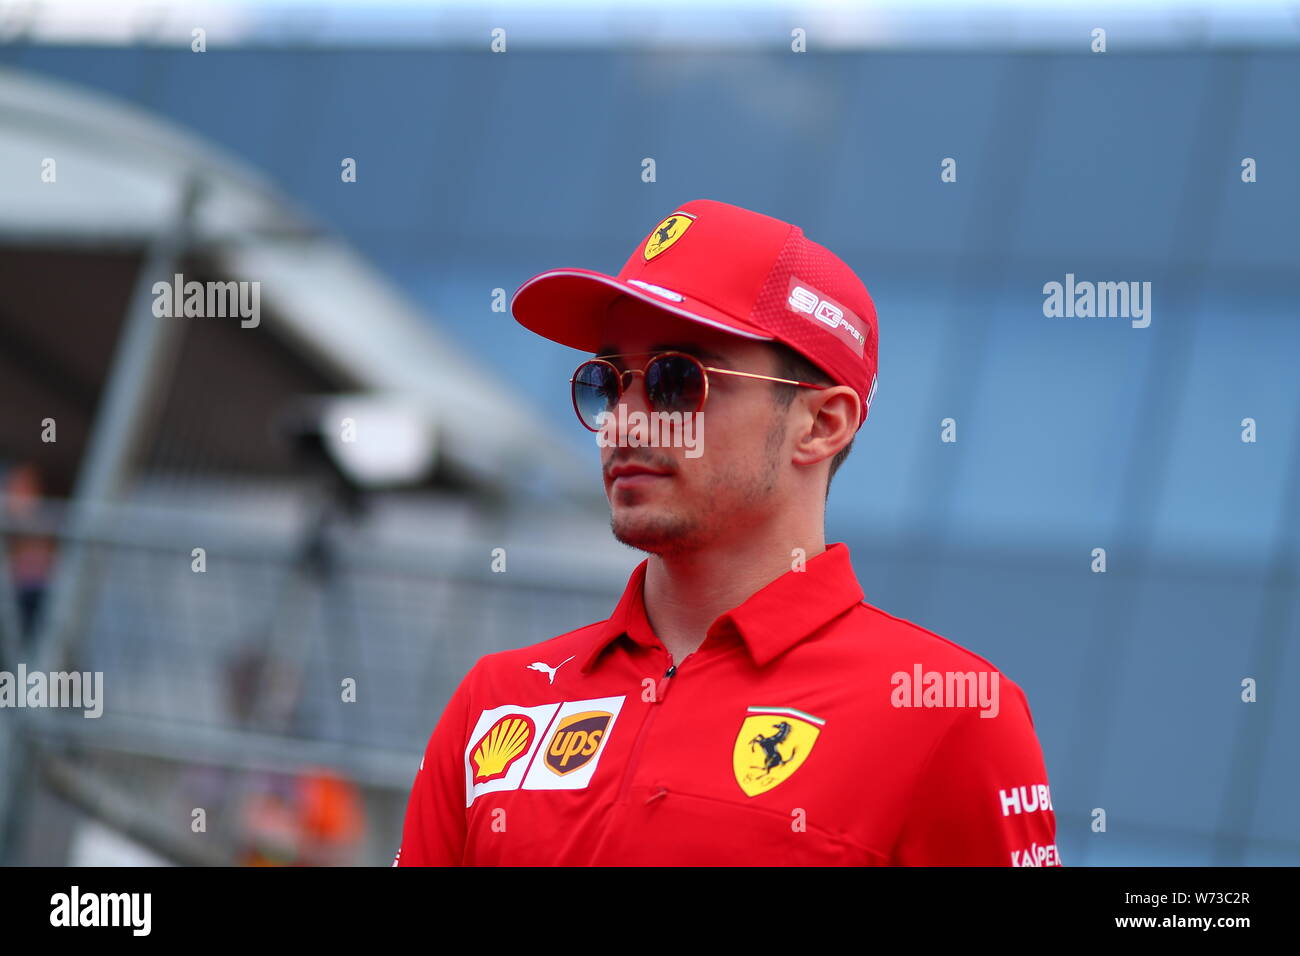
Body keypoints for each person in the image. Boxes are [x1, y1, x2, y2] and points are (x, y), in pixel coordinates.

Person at [395, 198, 1060, 866]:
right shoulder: (496, 699)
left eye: (676, 379)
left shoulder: (948, 713)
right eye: (608, 381)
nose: (625, 422)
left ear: (822, 424)